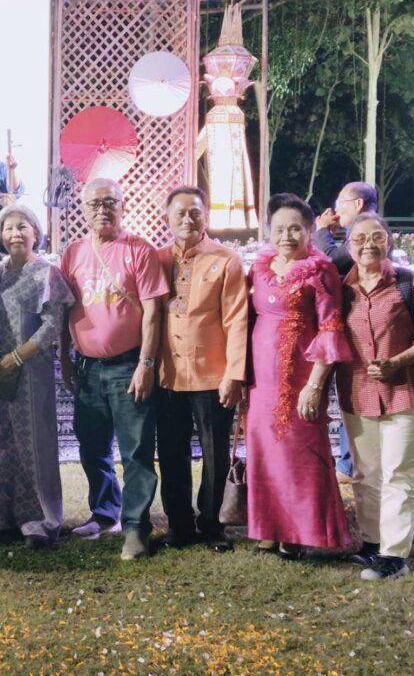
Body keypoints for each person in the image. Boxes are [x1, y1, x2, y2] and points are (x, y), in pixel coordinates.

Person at [59, 178, 168, 560]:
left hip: (127, 366)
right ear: (83, 210)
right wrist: (65, 360)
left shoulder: (140, 250)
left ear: (123, 206)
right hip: (87, 368)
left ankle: (136, 526)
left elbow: (153, 313)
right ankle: (105, 513)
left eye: (110, 202)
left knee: (136, 451)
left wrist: (146, 364)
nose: (102, 209)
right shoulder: (73, 253)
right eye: (94, 203)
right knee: (92, 447)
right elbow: (64, 311)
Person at [336, 213, 414, 580]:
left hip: (406, 392)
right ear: (348, 246)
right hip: (357, 392)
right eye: (359, 238)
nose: (368, 245)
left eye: (376, 237)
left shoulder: (410, 282)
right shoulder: (341, 290)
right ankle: (371, 543)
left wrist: (397, 361)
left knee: (399, 473)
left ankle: (394, 555)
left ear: (389, 240)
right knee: (365, 474)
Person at [246, 193, 353, 559]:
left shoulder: (321, 271)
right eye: (279, 229)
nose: (286, 236)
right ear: (269, 231)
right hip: (261, 377)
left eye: (295, 228)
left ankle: (295, 533)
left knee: (299, 453)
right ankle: (267, 531)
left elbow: (330, 327)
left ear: (310, 230)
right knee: (264, 450)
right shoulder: (259, 267)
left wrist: (314, 385)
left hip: (302, 376)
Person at [154, 186, 248, 553]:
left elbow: (237, 320)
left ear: (206, 215)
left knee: (214, 453)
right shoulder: (157, 260)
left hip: (212, 374)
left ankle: (212, 524)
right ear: (167, 217)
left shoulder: (226, 260)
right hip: (167, 374)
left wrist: (234, 374)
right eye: (180, 212)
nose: (187, 219)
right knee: (171, 452)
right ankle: (179, 525)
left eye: (195, 212)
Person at [0, 204, 74, 549]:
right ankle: (6, 515)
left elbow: (52, 326)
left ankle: (41, 522)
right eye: (8, 228)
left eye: (23, 226)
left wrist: (16, 358)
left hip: (30, 372)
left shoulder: (47, 274)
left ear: (36, 232)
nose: (15, 233)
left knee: (34, 446)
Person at [315, 181, 378, 483]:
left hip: (362, 324)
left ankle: (349, 464)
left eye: (341, 203)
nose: (336, 210)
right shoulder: (364, 228)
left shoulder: (366, 230)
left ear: (358, 204)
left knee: (355, 394)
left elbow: (331, 259)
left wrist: (321, 230)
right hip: (356, 322)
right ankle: (348, 462)